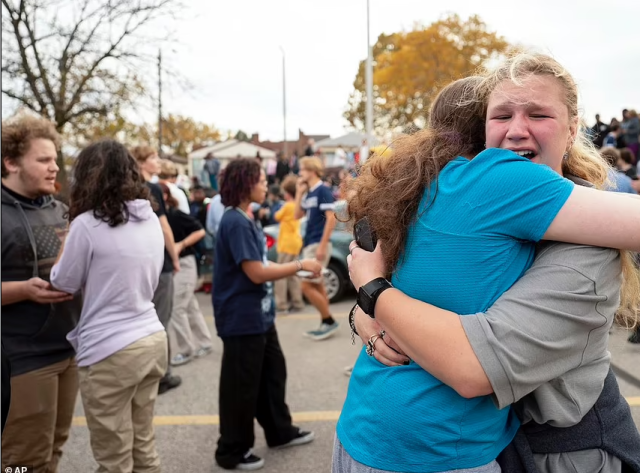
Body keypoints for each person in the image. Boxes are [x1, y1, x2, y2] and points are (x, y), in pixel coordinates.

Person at [337, 54, 640, 473]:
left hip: (559, 451)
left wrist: (373, 294)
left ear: (573, 128)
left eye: (538, 114)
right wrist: (367, 314)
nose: (516, 130)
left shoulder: (581, 244)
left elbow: (474, 366)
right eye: (501, 115)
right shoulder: (476, 194)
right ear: (480, 133)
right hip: (468, 443)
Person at [50, 139, 167, 473]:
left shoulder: (86, 224)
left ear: (86, 177)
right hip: (151, 337)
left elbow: (63, 282)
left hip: (109, 351)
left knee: (113, 458)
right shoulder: (150, 220)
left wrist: (67, 236)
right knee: (143, 446)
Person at [213, 158, 322, 470]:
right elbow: (256, 272)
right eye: (260, 180)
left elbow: (261, 267)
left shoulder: (244, 219)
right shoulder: (234, 221)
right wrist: (301, 264)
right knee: (241, 386)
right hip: (241, 319)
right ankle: (231, 450)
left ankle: (279, 431)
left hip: (258, 316)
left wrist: (295, 270)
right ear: (246, 184)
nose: (265, 185)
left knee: (272, 374)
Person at [1, 113, 82, 472]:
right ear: (11, 162)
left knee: (54, 449)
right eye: (43, 160)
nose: (54, 168)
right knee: (22, 460)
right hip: (21, 357)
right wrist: (22, 290)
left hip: (67, 349)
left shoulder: (61, 210)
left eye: (55, 159)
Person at [130, 145, 182, 394]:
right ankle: (161, 374)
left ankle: (142, 371)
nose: (157, 161)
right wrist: (175, 258)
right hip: (158, 263)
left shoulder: (126, 188)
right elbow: (164, 227)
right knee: (161, 318)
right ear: (141, 162)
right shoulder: (150, 188)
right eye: (152, 157)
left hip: (136, 263)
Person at [158, 183, 213, 366]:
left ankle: (186, 349)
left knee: (177, 308)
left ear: (164, 196)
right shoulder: (158, 218)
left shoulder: (174, 215)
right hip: (174, 266)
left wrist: (181, 244)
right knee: (189, 306)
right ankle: (205, 342)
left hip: (185, 264)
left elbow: (200, 231)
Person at [294, 156, 339, 340]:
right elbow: (297, 214)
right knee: (317, 285)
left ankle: (328, 321)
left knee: (306, 286)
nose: (300, 173)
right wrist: (298, 193)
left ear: (311, 170)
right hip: (310, 243)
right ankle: (325, 322)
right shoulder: (310, 192)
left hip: (317, 244)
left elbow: (331, 218)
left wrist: (322, 246)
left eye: (302, 170)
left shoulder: (323, 190)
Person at [274, 175, 305, 313]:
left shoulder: (287, 206)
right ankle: (297, 302)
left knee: (280, 275)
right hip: (296, 242)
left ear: (287, 193)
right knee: (293, 274)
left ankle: (281, 305)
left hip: (286, 244)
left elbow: (276, 216)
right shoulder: (298, 206)